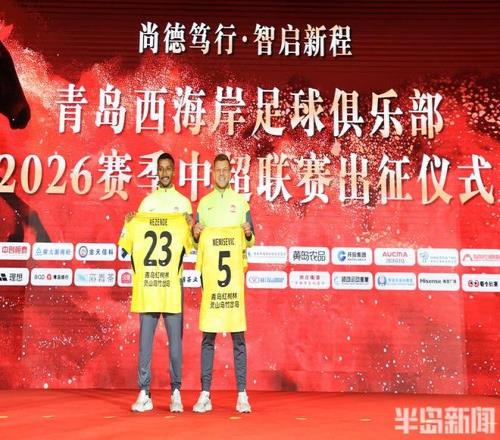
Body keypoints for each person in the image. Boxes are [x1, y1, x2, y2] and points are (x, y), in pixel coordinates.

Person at [127, 152, 192, 413]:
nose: (164, 173)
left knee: (175, 343)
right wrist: (131, 223)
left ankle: (176, 391)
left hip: (172, 283)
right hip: (150, 283)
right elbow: (133, 244)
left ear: (174, 172)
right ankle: (144, 392)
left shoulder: (183, 204)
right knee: (145, 341)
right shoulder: (147, 203)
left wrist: (191, 227)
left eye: (168, 169)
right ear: (157, 171)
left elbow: (191, 243)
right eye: (161, 169)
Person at [192, 153, 255, 413]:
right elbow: (195, 241)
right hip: (211, 282)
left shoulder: (241, 203)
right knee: (208, 336)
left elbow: (251, 238)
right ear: (212, 173)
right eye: (217, 170)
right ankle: (205, 394)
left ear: (230, 173)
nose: (221, 174)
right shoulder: (204, 204)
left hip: (233, 284)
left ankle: (242, 394)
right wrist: (195, 234)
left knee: (238, 336)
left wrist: (248, 233)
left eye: (225, 170)